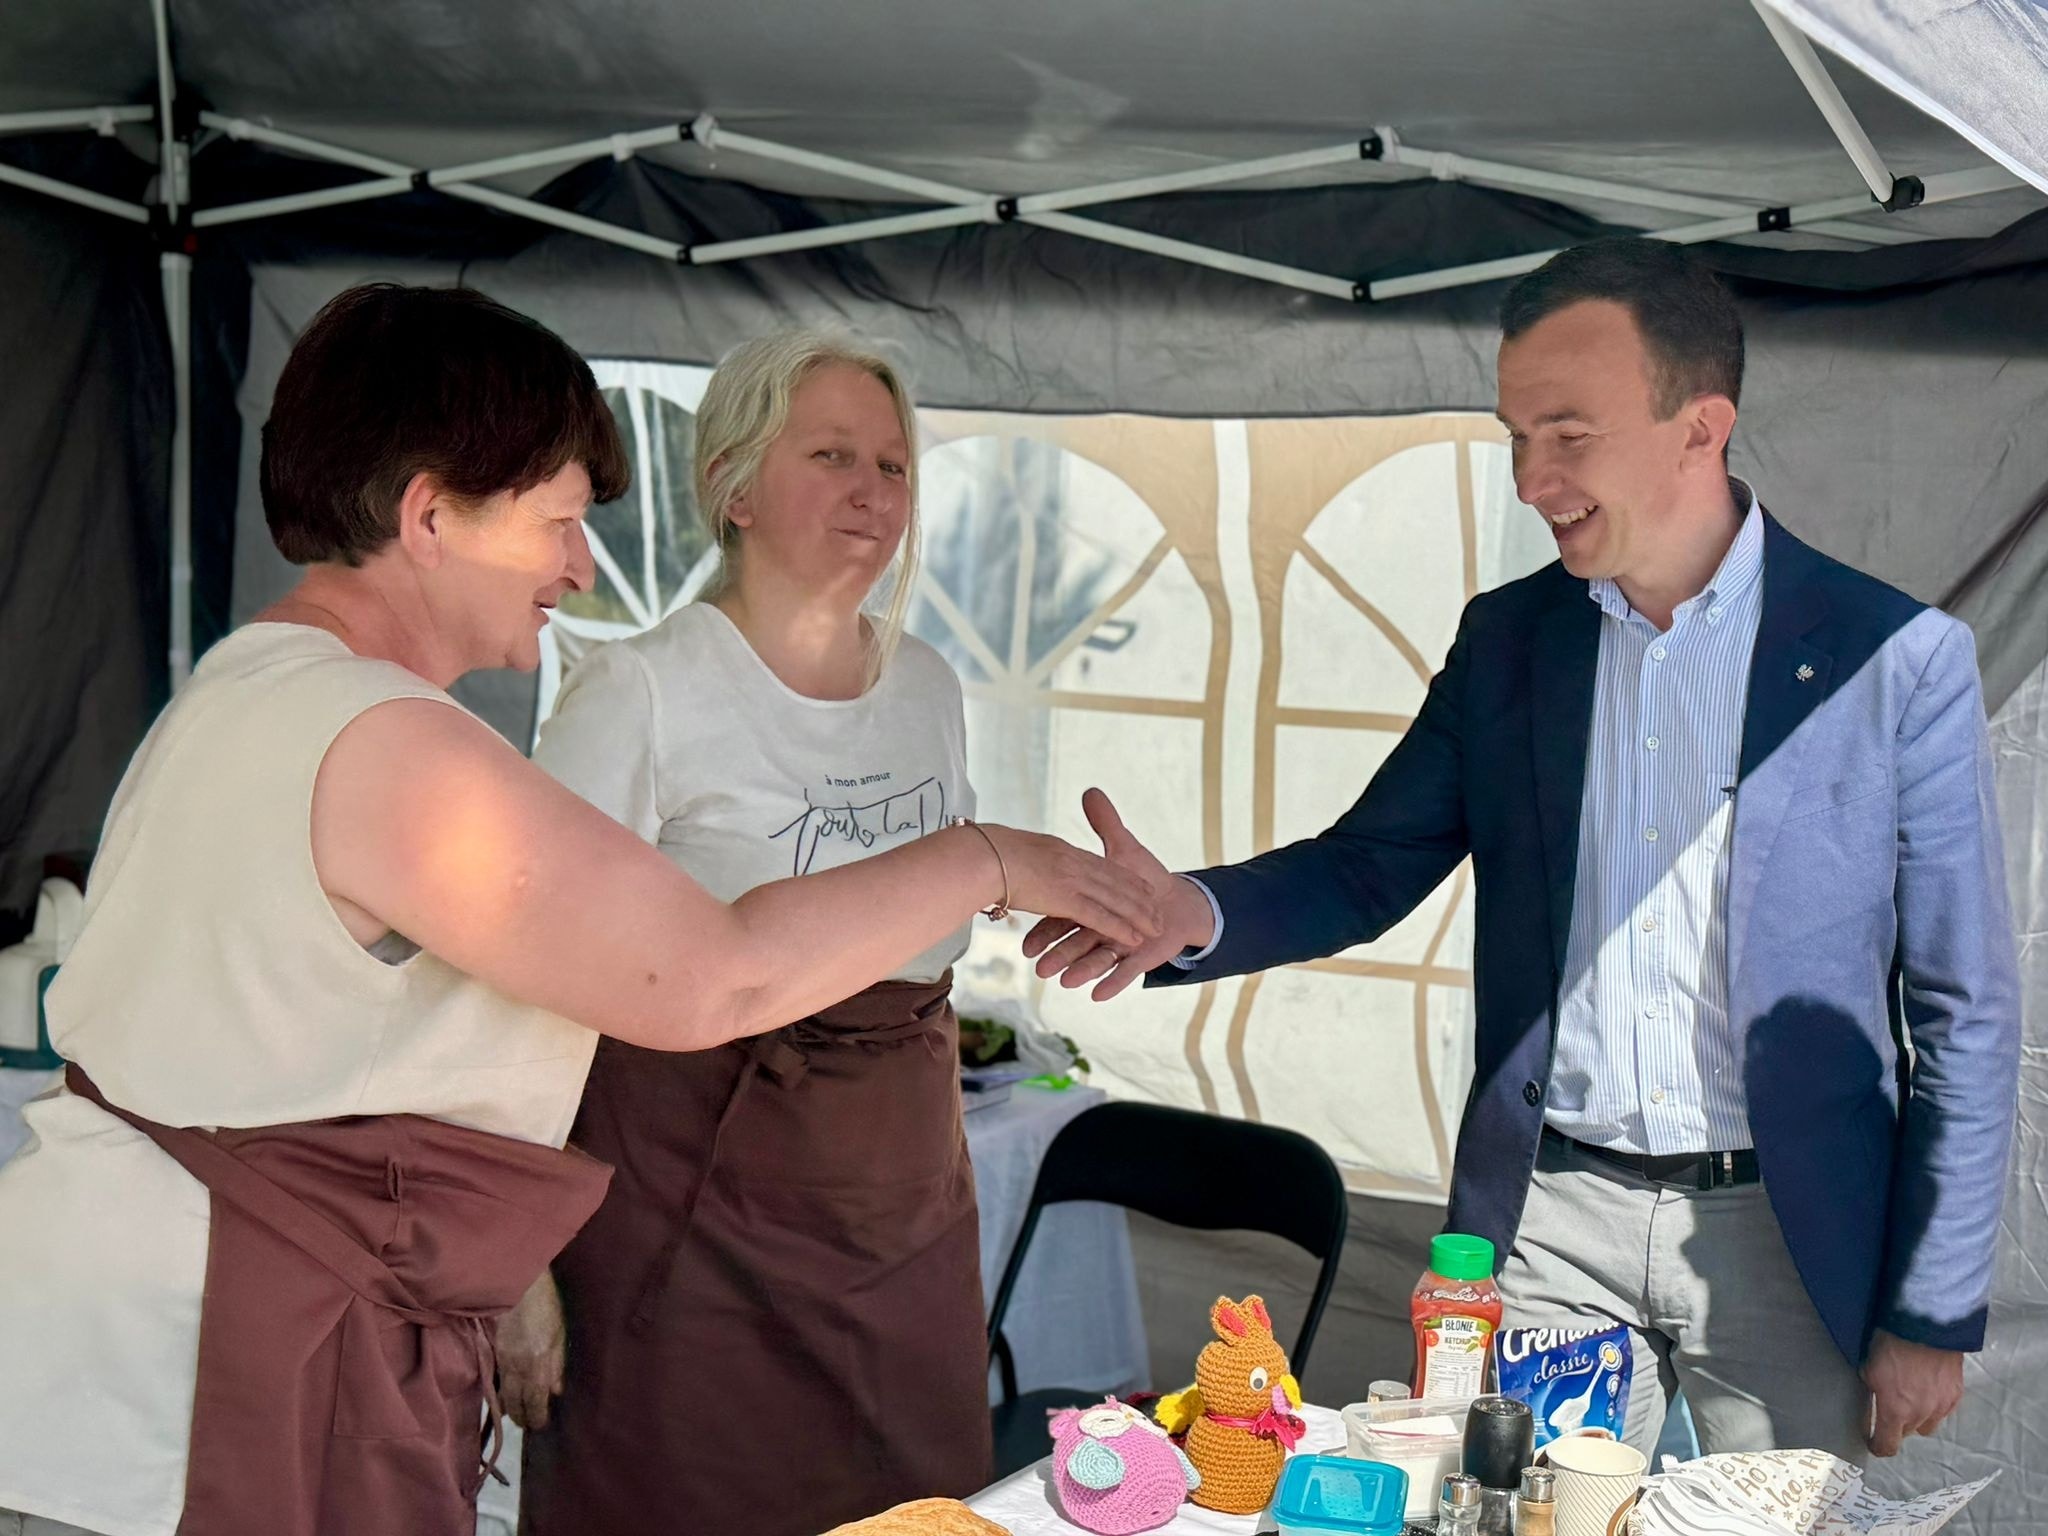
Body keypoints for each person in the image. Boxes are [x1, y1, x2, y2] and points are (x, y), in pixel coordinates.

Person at [0, 286, 1158, 1536]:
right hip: (190, 1378)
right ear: (429, 516)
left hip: (115, 1362)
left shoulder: (245, 682)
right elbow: (710, 977)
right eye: (556, 521)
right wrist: (989, 858)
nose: (580, 567)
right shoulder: (390, 743)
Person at [1029, 240, 2021, 1464]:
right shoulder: (1505, 640)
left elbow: (1964, 1010)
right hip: (1547, 1230)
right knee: (1523, 1520)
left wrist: (1929, 1308)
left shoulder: (1895, 659)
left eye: (1566, 434)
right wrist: (1191, 911)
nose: (1528, 480)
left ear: (1698, 427)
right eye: (1513, 436)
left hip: (1791, 1235)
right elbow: (1365, 864)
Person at [506, 330, 993, 1536]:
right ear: (731, 486)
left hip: (900, 1208)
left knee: (913, 1511)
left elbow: (924, 942)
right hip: (686, 1218)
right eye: (831, 455)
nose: (872, 491)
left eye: (892, 465)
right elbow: (517, 986)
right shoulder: (641, 690)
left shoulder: (928, 687)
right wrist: (514, 1262)